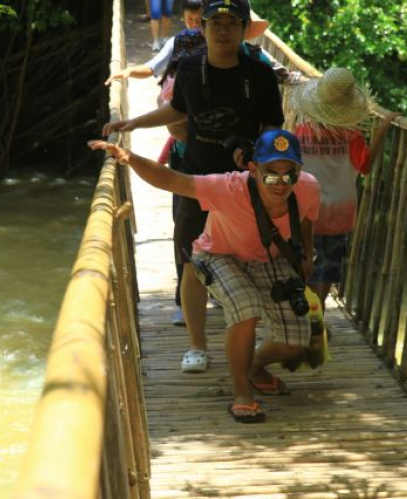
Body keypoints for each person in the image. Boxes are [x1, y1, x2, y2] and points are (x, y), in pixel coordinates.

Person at [88, 129, 320, 423]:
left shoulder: (308, 188)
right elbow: (173, 180)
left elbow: (308, 221)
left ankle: (254, 367)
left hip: (269, 261)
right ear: (253, 169)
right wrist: (129, 158)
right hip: (218, 255)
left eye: (290, 175)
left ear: (300, 172)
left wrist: (307, 256)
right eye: (271, 174)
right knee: (245, 306)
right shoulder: (228, 187)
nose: (281, 183)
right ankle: (242, 394)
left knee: (296, 340)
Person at [102, 0, 284, 374]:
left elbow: (272, 127)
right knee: (191, 261)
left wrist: (261, 163)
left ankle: (247, 347)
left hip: (244, 185)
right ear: (201, 28)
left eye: (231, 22)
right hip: (196, 179)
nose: (222, 30)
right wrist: (132, 124)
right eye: (214, 22)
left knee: (248, 259)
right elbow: (178, 111)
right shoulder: (187, 68)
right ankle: (197, 345)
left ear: (243, 28)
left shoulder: (260, 74)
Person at [289, 68, 400, 312]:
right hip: (341, 211)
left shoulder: (300, 134)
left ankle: (309, 313)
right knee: (330, 265)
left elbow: (292, 168)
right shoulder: (352, 136)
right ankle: (320, 315)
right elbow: (365, 166)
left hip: (306, 212)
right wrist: (381, 132)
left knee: (308, 261)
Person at [105, 0, 203, 87]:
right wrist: (129, 71)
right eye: (190, 19)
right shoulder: (175, 42)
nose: (194, 24)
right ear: (183, 17)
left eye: (198, 20)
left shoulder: (215, 41)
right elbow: (153, 67)